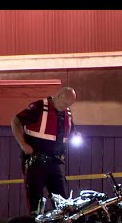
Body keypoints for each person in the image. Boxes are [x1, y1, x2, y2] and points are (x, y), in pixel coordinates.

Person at [11, 86, 79, 216]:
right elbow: (15, 121)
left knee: (62, 200)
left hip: (56, 162)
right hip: (36, 161)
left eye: (69, 105)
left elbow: (71, 133)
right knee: (36, 199)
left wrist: (76, 136)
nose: (66, 107)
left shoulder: (67, 114)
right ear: (58, 96)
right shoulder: (39, 107)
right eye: (65, 103)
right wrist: (23, 145)